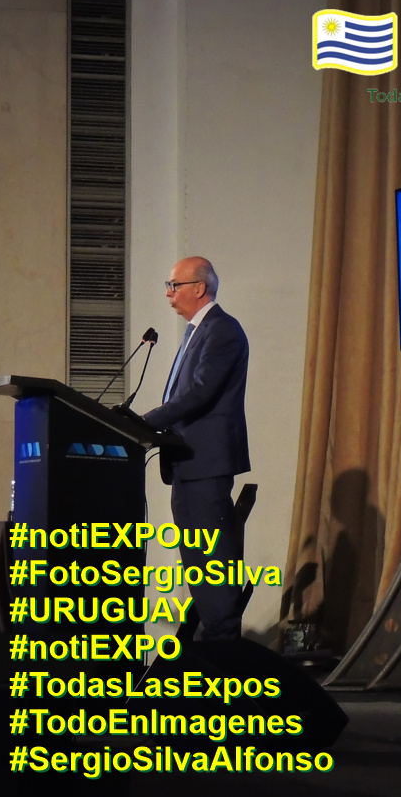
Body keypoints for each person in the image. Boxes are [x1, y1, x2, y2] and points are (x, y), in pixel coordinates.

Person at [143, 256, 250, 639]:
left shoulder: (222, 330)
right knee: (197, 566)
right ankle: (212, 656)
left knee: (211, 567)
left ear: (199, 288)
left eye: (174, 285)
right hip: (187, 465)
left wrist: (146, 421)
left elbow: (200, 393)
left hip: (205, 465)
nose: (168, 293)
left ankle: (226, 665)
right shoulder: (196, 332)